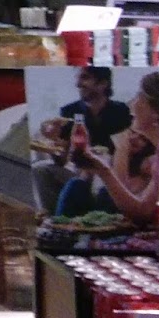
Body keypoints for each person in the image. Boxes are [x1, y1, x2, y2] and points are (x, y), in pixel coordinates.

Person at [72, 71, 159, 225]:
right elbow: (143, 211)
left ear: (157, 112)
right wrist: (103, 170)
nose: (132, 104)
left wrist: (120, 150)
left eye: (140, 97)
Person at [33, 66, 134, 213]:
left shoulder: (121, 111)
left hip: (110, 171)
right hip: (78, 171)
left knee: (98, 182)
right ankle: (54, 219)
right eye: (78, 78)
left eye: (85, 78)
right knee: (40, 169)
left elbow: (129, 150)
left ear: (103, 84)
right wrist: (54, 140)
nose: (78, 84)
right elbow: (61, 161)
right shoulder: (69, 111)